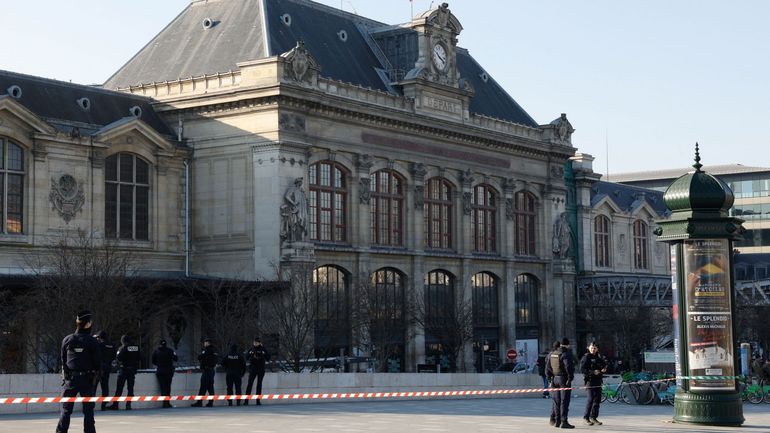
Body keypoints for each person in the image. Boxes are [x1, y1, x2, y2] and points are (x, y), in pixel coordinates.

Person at [56, 310, 101, 433]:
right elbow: (97, 362)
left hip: (70, 380)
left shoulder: (67, 339)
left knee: (65, 411)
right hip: (87, 380)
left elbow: (63, 360)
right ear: (87, 324)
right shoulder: (92, 341)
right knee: (88, 412)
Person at [546, 337, 576, 429]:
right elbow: (568, 366)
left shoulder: (552, 354)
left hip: (554, 379)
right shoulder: (566, 354)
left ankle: (557, 421)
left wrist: (550, 379)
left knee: (557, 401)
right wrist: (570, 377)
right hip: (564, 380)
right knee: (564, 401)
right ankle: (564, 421)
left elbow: (548, 368)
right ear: (567, 345)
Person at [107, 335, 140, 410]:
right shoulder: (136, 347)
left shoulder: (123, 347)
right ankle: (128, 404)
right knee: (130, 388)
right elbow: (140, 357)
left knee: (119, 388)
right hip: (132, 370)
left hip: (124, 369)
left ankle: (115, 404)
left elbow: (118, 357)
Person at [579, 342, 607, 426]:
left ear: (597, 349)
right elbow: (582, 369)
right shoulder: (586, 357)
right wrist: (592, 372)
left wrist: (604, 369)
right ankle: (586, 418)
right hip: (590, 381)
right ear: (589, 348)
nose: (593, 349)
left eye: (595, 348)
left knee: (597, 400)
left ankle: (593, 417)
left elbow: (604, 365)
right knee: (590, 399)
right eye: (592, 347)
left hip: (598, 381)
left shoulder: (599, 357)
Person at [192, 338, 219, 407]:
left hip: (207, 370)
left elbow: (199, 357)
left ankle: (199, 402)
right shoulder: (214, 350)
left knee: (203, 387)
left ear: (208, 343)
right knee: (210, 387)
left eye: (205, 342)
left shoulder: (207, 350)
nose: (204, 344)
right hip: (212, 370)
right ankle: (210, 402)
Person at [151, 339, 178, 408]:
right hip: (169, 371)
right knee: (168, 387)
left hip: (160, 370)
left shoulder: (156, 351)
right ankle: (167, 403)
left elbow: (153, 361)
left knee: (163, 387)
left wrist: (159, 364)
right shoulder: (170, 351)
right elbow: (176, 358)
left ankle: (164, 403)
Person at [245, 337, 271, 406]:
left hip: (261, 369)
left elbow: (268, 358)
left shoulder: (263, 349)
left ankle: (258, 400)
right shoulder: (251, 349)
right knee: (250, 384)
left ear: (259, 343)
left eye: (256, 342)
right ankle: (246, 400)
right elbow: (246, 357)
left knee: (259, 385)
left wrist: (264, 350)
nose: (255, 344)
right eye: (254, 342)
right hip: (253, 368)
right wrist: (250, 354)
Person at [93, 331, 115, 411]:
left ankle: (91, 404)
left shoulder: (99, 345)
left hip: (98, 368)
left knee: (94, 387)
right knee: (105, 387)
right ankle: (103, 405)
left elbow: (95, 355)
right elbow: (113, 356)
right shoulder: (112, 345)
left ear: (100, 337)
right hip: (107, 368)